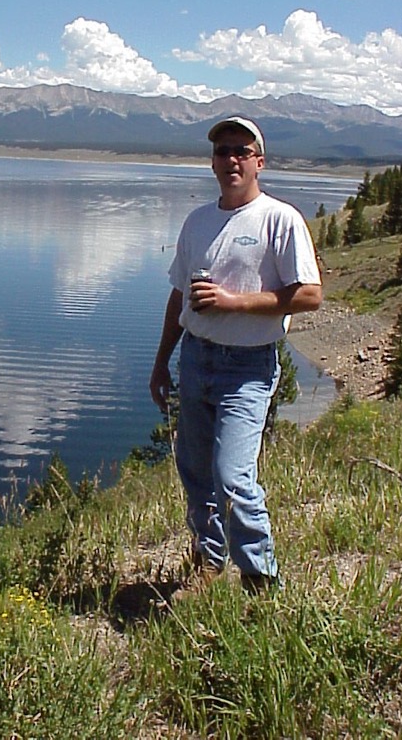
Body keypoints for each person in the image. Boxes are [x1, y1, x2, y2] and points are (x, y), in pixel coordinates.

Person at [149, 116, 322, 593]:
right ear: (212, 162)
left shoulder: (279, 218)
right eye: (223, 151)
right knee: (193, 467)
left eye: (241, 152)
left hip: (247, 366)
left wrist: (235, 302)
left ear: (259, 163)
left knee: (232, 476)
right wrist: (162, 360)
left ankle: (260, 577)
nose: (231, 160)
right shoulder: (198, 221)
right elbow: (178, 295)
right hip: (196, 359)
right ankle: (209, 559)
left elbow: (310, 295)